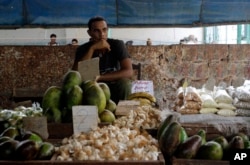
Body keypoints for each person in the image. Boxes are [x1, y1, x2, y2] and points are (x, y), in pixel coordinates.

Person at [72, 16, 133, 104]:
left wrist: (101, 77)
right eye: (96, 31)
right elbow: (75, 74)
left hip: (113, 85)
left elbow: (128, 72)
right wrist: (92, 48)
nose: (102, 34)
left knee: (125, 83)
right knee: (76, 90)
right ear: (89, 33)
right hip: (92, 88)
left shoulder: (117, 45)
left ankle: (124, 114)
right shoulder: (83, 49)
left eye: (104, 30)